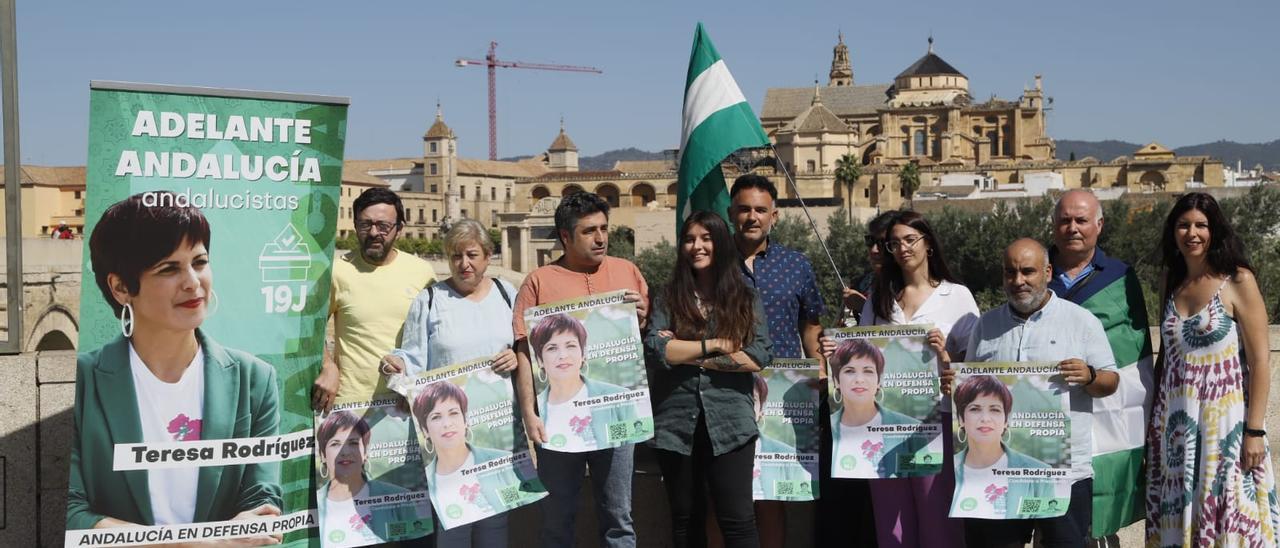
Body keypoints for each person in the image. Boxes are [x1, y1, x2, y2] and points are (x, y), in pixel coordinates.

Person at [66, 192, 281, 538]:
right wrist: (193, 545)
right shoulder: (81, 382)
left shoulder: (254, 379)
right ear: (121, 287)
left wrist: (256, 522)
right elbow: (70, 510)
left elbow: (263, 498)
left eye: (199, 262)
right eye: (169, 268)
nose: (193, 282)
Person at [823, 210, 977, 548]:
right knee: (892, 527)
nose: (903, 248)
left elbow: (974, 369)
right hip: (882, 428)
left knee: (939, 523)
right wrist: (834, 347)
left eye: (910, 240)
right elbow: (860, 353)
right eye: (894, 243)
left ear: (929, 244)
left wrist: (946, 357)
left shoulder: (958, 297)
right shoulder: (880, 298)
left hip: (936, 426)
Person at [956, 238, 1119, 548]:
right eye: (1010, 273)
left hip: (1064, 473)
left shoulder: (1081, 321)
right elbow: (972, 389)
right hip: (997, 472)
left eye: (1027, 272)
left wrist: (1090, 376)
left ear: (1047, 271)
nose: (1018, 281)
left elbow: (1111, 381)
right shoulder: (986, 325)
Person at [512, 192, 649, 548]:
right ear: (565, 237)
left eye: (604, 228)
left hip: (617, 414)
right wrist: (530, 413)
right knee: (557, 518)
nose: (601, 237)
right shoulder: (539, 281)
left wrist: (642, 319)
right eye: (589, 231)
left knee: (619, 517)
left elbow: (647, 337)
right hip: (557, 419)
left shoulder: (627, 272)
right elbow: (524, 351)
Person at [1145, 192, 1279, 546]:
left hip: (1225, 425)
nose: (1192, 233)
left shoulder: (1237, 280)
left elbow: (1260, 360)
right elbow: (1167, 358)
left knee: (1230, 516)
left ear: (1214, 230)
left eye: (1201, 225)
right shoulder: (1169, 281)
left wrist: (1255, 431)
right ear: (1173, 232)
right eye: (1183, 225)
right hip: (1175, 427)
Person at [380, 218, 519, 548]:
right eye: (456, 256)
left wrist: (515, 355)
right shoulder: (429, 300)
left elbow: (527, 349)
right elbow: (412, 359)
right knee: (450, 528)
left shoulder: (506, 293)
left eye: (472, 254)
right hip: (447, 440)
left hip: (498, 433)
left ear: (488, 256)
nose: (464, 263)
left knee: (494, 527)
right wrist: (394, 368)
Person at [644, 209, 773, 548]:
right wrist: (714, 345)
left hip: (731, 424)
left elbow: (759, 355)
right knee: (685, 520)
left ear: (720, 243)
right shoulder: (668, 296)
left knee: (739, 521)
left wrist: (686, 353)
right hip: (676, 425)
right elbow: (658, 350)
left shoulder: (745, 297)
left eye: (705, 238)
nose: (696, 246)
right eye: (689, 239)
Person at [1048, 189, 1154, 545]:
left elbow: (1136, 353)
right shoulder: (1034, 272)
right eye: (1065, 220)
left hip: (1106, 410)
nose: (1072, 228)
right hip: (1047, 413)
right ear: (1053, 225)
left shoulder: (1120, 277)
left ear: (1099, 225)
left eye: (1081, 220)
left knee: (1099, 518)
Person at [728, 174, 824, 548]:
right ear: (730, 213)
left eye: (760, 210)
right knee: (725, 499)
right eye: (744, 209)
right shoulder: (711, 264)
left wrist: (821, 374)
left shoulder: (797, 265)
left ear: (775, 216)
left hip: (783, 399)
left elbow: (811, 325)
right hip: (725, 393)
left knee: (771, 498)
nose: (752, 217)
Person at [314, 187, 436, 410]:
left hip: (408, 403)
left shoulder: (423, 273)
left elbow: (438, 332)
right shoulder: (336, 272)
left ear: (399, 229)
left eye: (383, 226)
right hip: (351, 406)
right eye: (365, 224)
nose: (373, 233)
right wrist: (327, 365)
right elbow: (312, 323)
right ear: (355, 226)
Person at [413, 382, 525, 530]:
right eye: (436, 417)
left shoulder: (502, 460)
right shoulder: (424, 480)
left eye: (453, 413)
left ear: (465, 420)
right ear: (424, 430)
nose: (447, 424)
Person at [950, 375, 1053, 520]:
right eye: (975, 409)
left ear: (1006, 421)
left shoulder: (1039, 473)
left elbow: (1045, 530)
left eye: (995, 409)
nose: (985, 418)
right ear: (961, 419)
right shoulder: (944, 472)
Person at [317, 410, 424, 547]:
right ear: (323, 454)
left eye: (353, 443)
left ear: (365, 451)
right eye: (335, 444)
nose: (345, 452)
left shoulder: (400, 497)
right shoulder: (311, 508)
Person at [529, 312, 633, 451]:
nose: (563, 355)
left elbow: (630, 439)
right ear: (540, 359)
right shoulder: (537, 409)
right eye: (552, 348)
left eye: (570, 346)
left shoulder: (619, 397)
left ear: (583, 354)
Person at [827, 339, 923, 478]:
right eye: (849, 371)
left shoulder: (913, 429)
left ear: (879, 381)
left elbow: (926, 472)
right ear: (836, 381)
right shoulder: (824, 428)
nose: (859, 379)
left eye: (868, 371)